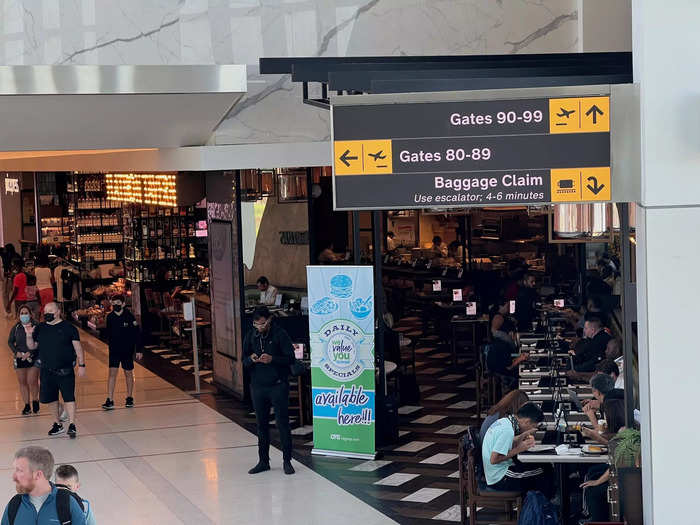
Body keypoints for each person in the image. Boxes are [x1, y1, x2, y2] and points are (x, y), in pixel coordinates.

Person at [243, 306, 295, 475]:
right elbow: (243, 360)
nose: (260, 327)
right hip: (258, 386)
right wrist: (251, 359)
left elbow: (290, 358)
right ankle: (263, 461)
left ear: (270, 319)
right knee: (261, 425)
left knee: (282, 423)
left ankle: (287, 460)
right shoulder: (251, 336)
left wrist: (272, 359)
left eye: (263, 324)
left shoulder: (280, 334)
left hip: (278, 385)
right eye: (256, 324)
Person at [34, 302, 86, 438]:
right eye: (45, 312)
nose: (47, 314)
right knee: (51, 399)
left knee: (69, 397)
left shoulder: (69, 328)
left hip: (65, 370)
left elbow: (78, 348)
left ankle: (72, 424)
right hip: (46, 370)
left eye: (50, 311)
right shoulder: (40, 328)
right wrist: (28, 335)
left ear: (58, 312)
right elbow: (33, 345)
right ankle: (57, 424)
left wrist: (81, 365)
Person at [1, 446, 86, 525]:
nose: (14, 477)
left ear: (38, 475)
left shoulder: (68, 503)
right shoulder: (14, 505)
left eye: (20, 471)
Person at [481, 402, 549, 495]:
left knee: (543, 467)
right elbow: (493, 459)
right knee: (544, 471)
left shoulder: (505, 421)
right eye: (533, 426)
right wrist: (519, 449)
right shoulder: (507, 430)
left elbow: (506, 442)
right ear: (527, 421)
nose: (533, 428)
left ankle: (535, 502)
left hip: (495, 472)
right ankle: (539, 505)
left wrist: (523, 435)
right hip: (499, 477)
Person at [580, 398, 626, 522]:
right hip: (621, 475)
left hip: (622, 480)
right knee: (593, 473)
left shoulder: (624, 431)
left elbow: (616, 464)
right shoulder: (623, 428)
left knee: (593, 489)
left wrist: (597, 482)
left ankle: (596, 519)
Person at [101, 295, 142, 411]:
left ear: (123, 304)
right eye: (114, 303)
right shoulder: (110, 317)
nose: (116, 305)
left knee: (128, 373)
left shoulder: (129, 316)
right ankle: (109, 399)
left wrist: (138, 349)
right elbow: (108, 333)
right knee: (112, 374)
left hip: (127, 350)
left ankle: (129, 397)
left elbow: (137, 334)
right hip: (114, 350)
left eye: (118, 302)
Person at [487, 299, 529, 388]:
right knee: (524, 370)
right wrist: (520, 359)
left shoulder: (499, 343)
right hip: (501, 371)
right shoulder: (502, 345)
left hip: (498, 366)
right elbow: (508, 367)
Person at [8, 305, 40, 416]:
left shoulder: (36, 326)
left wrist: (30, 353)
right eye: (21, 313)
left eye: (26, 313)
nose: (24, 315)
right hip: (19, 358)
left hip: (33, 357)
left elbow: (40, 342)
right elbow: (10, 341)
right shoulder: (16, 327)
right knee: (22, 382)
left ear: (30, 314)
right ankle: (27, 405)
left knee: (32, 381)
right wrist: (16, 352)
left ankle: (35, 400)